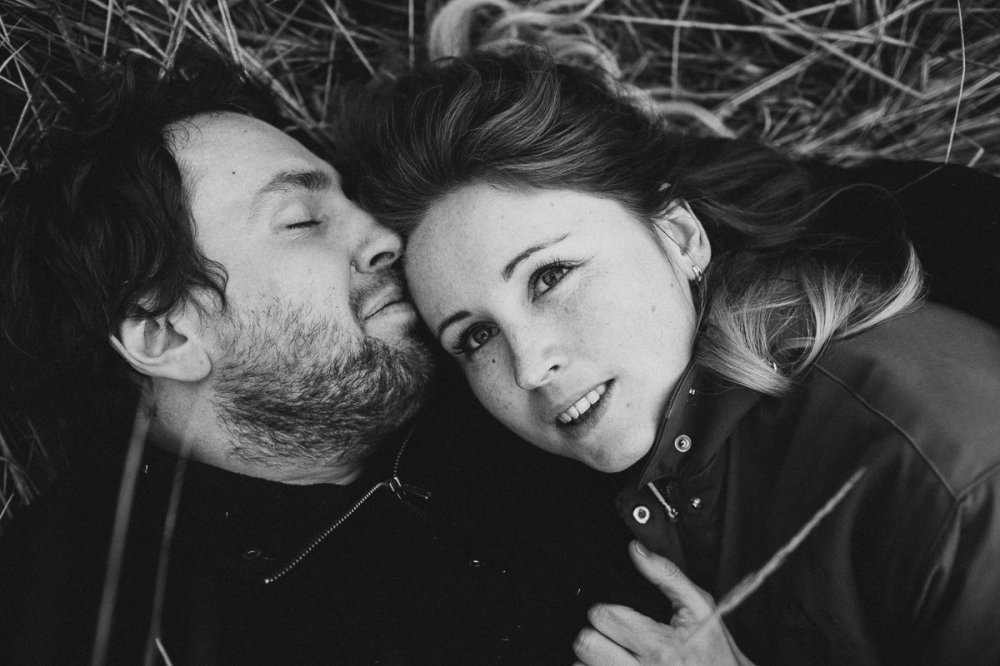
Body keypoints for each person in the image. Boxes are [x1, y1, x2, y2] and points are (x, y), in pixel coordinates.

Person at [0, 45, 668, 664]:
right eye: (302, 221)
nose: (385, 237)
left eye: (354, 199)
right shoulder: (70, 614)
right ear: (166, 336)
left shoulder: (507, 375)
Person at [338, 47, 1000, 665]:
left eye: (550, 277)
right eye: (476, 337)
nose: (530, 367)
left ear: (681, 238)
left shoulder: (941, 473)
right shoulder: (638, 451)